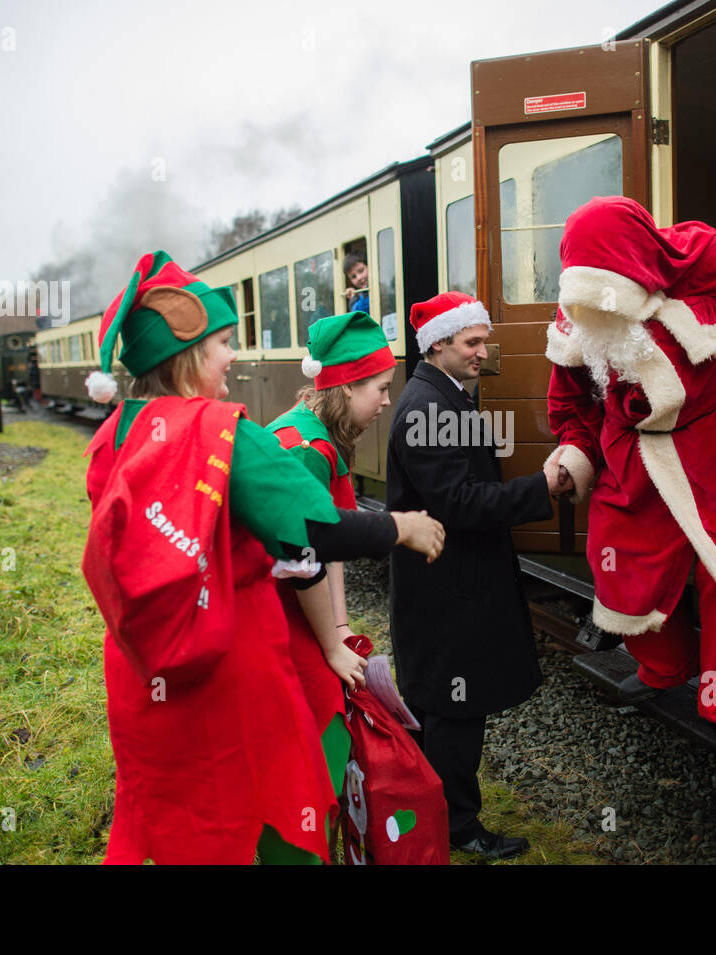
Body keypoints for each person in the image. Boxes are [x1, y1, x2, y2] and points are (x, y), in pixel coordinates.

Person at [80, 251, 444, 865]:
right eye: (223, 343)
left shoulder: (115, 430)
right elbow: (312, 529)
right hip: (230, 654)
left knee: (175, 808)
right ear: (189, 355)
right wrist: (400, 526)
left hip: (144, 665)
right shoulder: (222, 430)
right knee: (260, 807)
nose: (232, 357)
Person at [544, 196, 716, 751]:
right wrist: (573, 451)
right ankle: (667, 665)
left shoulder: (705, 271)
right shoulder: (576, 323)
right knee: (617, 559)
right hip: (633, 452)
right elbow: (571, 403)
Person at [387, 290, 571, 860]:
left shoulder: (441, 396)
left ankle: (441, 813)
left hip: (449, 581)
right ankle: (457, 828)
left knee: (449, 708)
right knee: (453, 711)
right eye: (472, 341)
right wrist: (542, 490)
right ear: (439, 342)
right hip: (446, 588)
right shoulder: (427, 408)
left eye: (483, 340)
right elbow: (460, 503)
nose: (482, 351)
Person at [264, 310, 396, 832]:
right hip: (278, 605)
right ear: (345, 385)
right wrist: (329, 644)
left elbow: (330, 540)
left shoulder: (317, 434)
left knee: (324, 699)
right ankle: (306, 823)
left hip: (294, 599)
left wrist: (339, 630)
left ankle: (315, 818)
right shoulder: (311, 451)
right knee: (321, 711)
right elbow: (301, 559)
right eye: (380, 389)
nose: (387, 402)